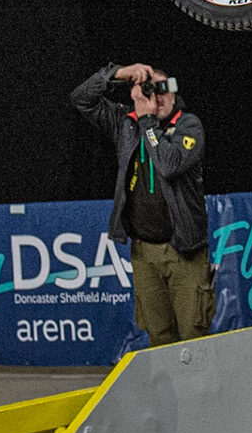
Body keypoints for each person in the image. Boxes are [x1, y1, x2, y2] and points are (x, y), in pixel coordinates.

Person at [71, 62, 210, 346]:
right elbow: (81, 99)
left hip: (184, 250)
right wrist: (118, 73)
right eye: (150, 90)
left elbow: (169, 164)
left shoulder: (189, 125)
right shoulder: (127, 123)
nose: (157, 98)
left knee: (195, 338)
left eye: (163, 90)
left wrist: (148, 121)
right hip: (144, 252)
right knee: (158, 337)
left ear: (174, 93)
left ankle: (200, 391)